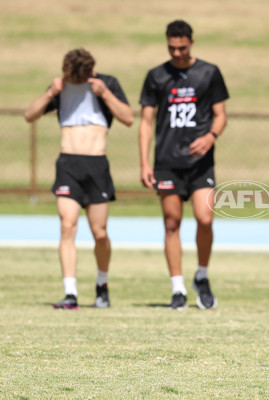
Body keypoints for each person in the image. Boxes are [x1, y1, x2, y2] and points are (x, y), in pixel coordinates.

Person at [24, 48, 134, 309]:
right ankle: (70, 292)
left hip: (96, 165)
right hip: (68, 165)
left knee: (99, 232)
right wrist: (51, 92)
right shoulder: (61, 87)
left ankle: (102, 284)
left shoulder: (106, 84)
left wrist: (104, 94)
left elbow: (128, 118)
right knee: (67, 225)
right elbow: (30, 115)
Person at [139, 20, 229, 310]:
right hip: (167, 161)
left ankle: (201, 276)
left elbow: (221, 115)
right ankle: (177, 288)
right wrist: (144, 163)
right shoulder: (156, 76)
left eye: (182, 47)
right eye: (171, 47)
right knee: (171, 223)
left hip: (200, 162)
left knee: (205, 218)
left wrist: (211, 136)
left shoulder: (209, 72)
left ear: (191, 42)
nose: (177, 52)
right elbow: (146, 122)